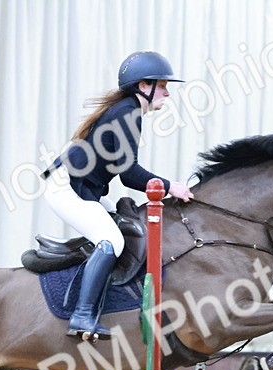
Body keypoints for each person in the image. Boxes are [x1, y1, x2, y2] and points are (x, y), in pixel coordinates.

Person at [43, 51, 195, 341]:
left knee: (121, 227)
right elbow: (128, 174)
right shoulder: (128, 113)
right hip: (66, 188)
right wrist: (169, 186)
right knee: (112, 240)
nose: (167, 93)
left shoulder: (127, 110)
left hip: (80, 187)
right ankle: (82, 315)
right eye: (163, 86)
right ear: (143, 87)